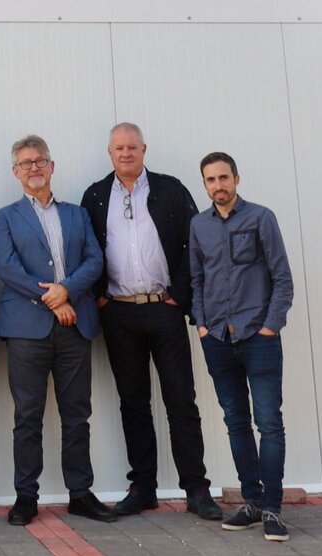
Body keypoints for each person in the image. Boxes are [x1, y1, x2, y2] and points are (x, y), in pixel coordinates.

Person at [80, 123, 222, 520]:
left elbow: (196, 245)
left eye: (132, 147)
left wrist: (181, 295)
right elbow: (84, 248)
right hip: (119, 312)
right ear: (109, 152)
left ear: (144, 149)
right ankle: (142, 487)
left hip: (164, 307)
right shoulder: (95, 195)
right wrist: (100, 298)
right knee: (133, 404)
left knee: (181, 400)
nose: (125, 154)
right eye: (118, 148)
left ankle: (196, 489)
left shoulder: (171, 189)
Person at [0, 135, 115, 525]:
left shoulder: (77, 214)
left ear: (51, 166)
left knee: (77, 414)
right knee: (27, 415)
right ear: (16, 171)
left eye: (40, 161)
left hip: (74, 327)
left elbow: (95, 260)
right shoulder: (6, 217)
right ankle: (26, 496)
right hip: (28, 329)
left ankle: (80, 493)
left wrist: (68, 290)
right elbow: (8, 268)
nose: (34, 167)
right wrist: (54, 298)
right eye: (26, 162)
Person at [191, 152, 293, 542]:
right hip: (217, 339)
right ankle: (250, 502)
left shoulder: (261, 218)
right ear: (204, 184)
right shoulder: (198, 224)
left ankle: (272, 509)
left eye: (223, 178)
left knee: (269, 423)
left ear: (236, 178)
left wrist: (270, 327)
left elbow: (282, 278)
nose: (218, 185)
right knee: (235, 422)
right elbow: (197, 280)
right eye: (210, 180)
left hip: (258, 339)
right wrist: (202, 325)